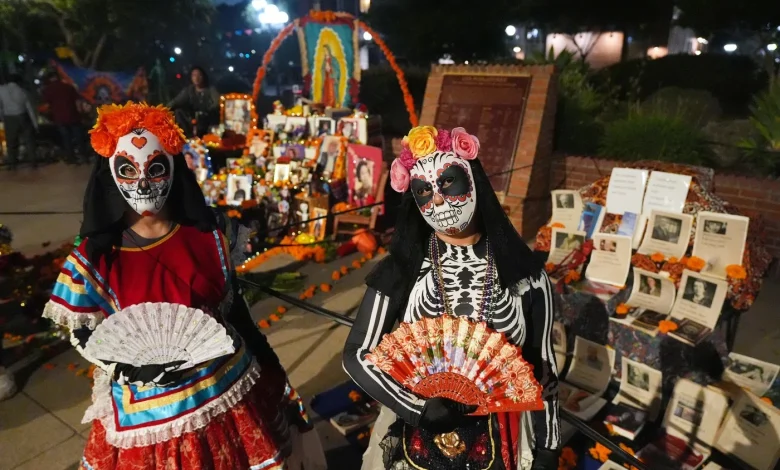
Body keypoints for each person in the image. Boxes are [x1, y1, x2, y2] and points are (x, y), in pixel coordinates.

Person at [42, 103, 326, 470]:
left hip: (226, 392)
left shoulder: (210, 234)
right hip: (149, 417)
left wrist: (277, 380)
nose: (143, 183)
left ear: (174, 167)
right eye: (127, 170)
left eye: (155, 168)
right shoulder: (96, 258)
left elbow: (236, 313)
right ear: (109, 173)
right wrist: (128, 368)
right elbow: (85, 332)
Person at [343, 126, 560, 470]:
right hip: (416, 437)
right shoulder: (402, 270)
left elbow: (543, 366)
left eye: (447, 183)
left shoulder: (527, 276)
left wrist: (548, 448)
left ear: (473, 181)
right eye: (423, 190)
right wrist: (416, 409)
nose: (438, 201)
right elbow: (357, 353)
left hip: (503, 439)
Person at [41, 72, 88, 164]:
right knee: (79, 137)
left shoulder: (48, 90)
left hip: (59, 118)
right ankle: (84, 156)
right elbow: (77, 101)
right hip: (73, 115)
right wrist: (81, 113)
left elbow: (46, 105)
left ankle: (71, 158)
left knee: (66, 138)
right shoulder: (68, 87)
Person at [167, 66, 220, 137]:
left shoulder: (211, 90)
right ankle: (187, 136)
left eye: (199, 75)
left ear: (204, 77)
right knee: (178, 111)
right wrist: (163, 110)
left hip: (207, 118)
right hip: (192, 119)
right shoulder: (189, 90)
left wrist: (206, 111)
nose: (196, 78)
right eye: (194, 75)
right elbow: (176, 102)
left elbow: (217, 102)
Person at [0, 74, 38, 169]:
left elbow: (0, 107)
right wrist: (35, 124)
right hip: (23, 116)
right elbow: (30, 109)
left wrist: (3, 118)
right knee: (29, 140)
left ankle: (12, 163)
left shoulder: (1, 90)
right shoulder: (23, 91)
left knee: (11, 142)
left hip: (9, 117)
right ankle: (33, 161)